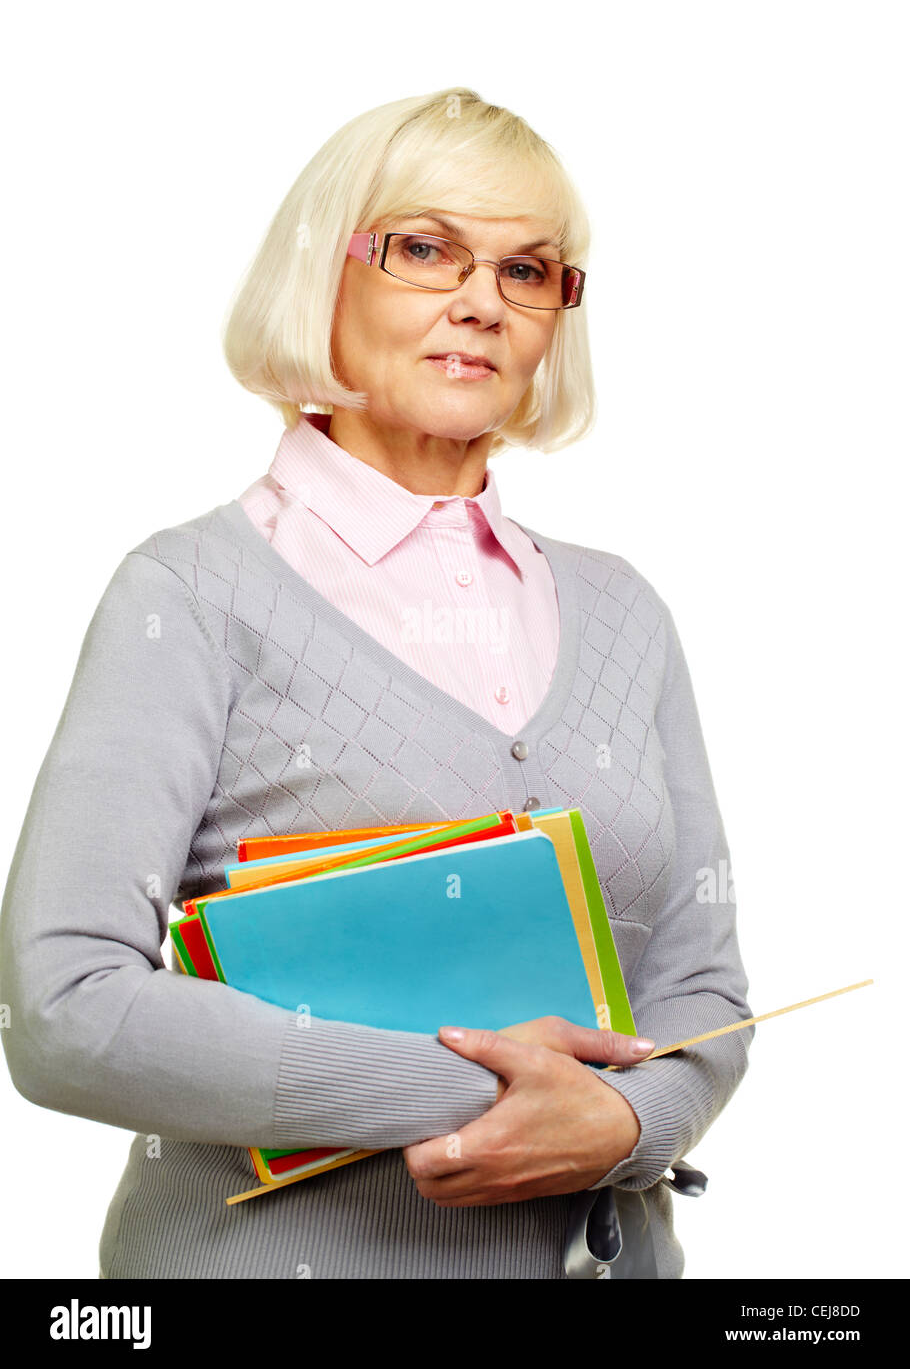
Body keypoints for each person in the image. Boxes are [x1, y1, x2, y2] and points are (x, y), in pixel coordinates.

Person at [0, 86, 752, 1280]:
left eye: (527, 270)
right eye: (424, 249)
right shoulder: (188, 593)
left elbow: (699, 985)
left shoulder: (623, 612)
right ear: (326, 275)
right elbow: (64, 1008)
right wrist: (469, 1088)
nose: (479, 303)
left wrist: (622, 1124)